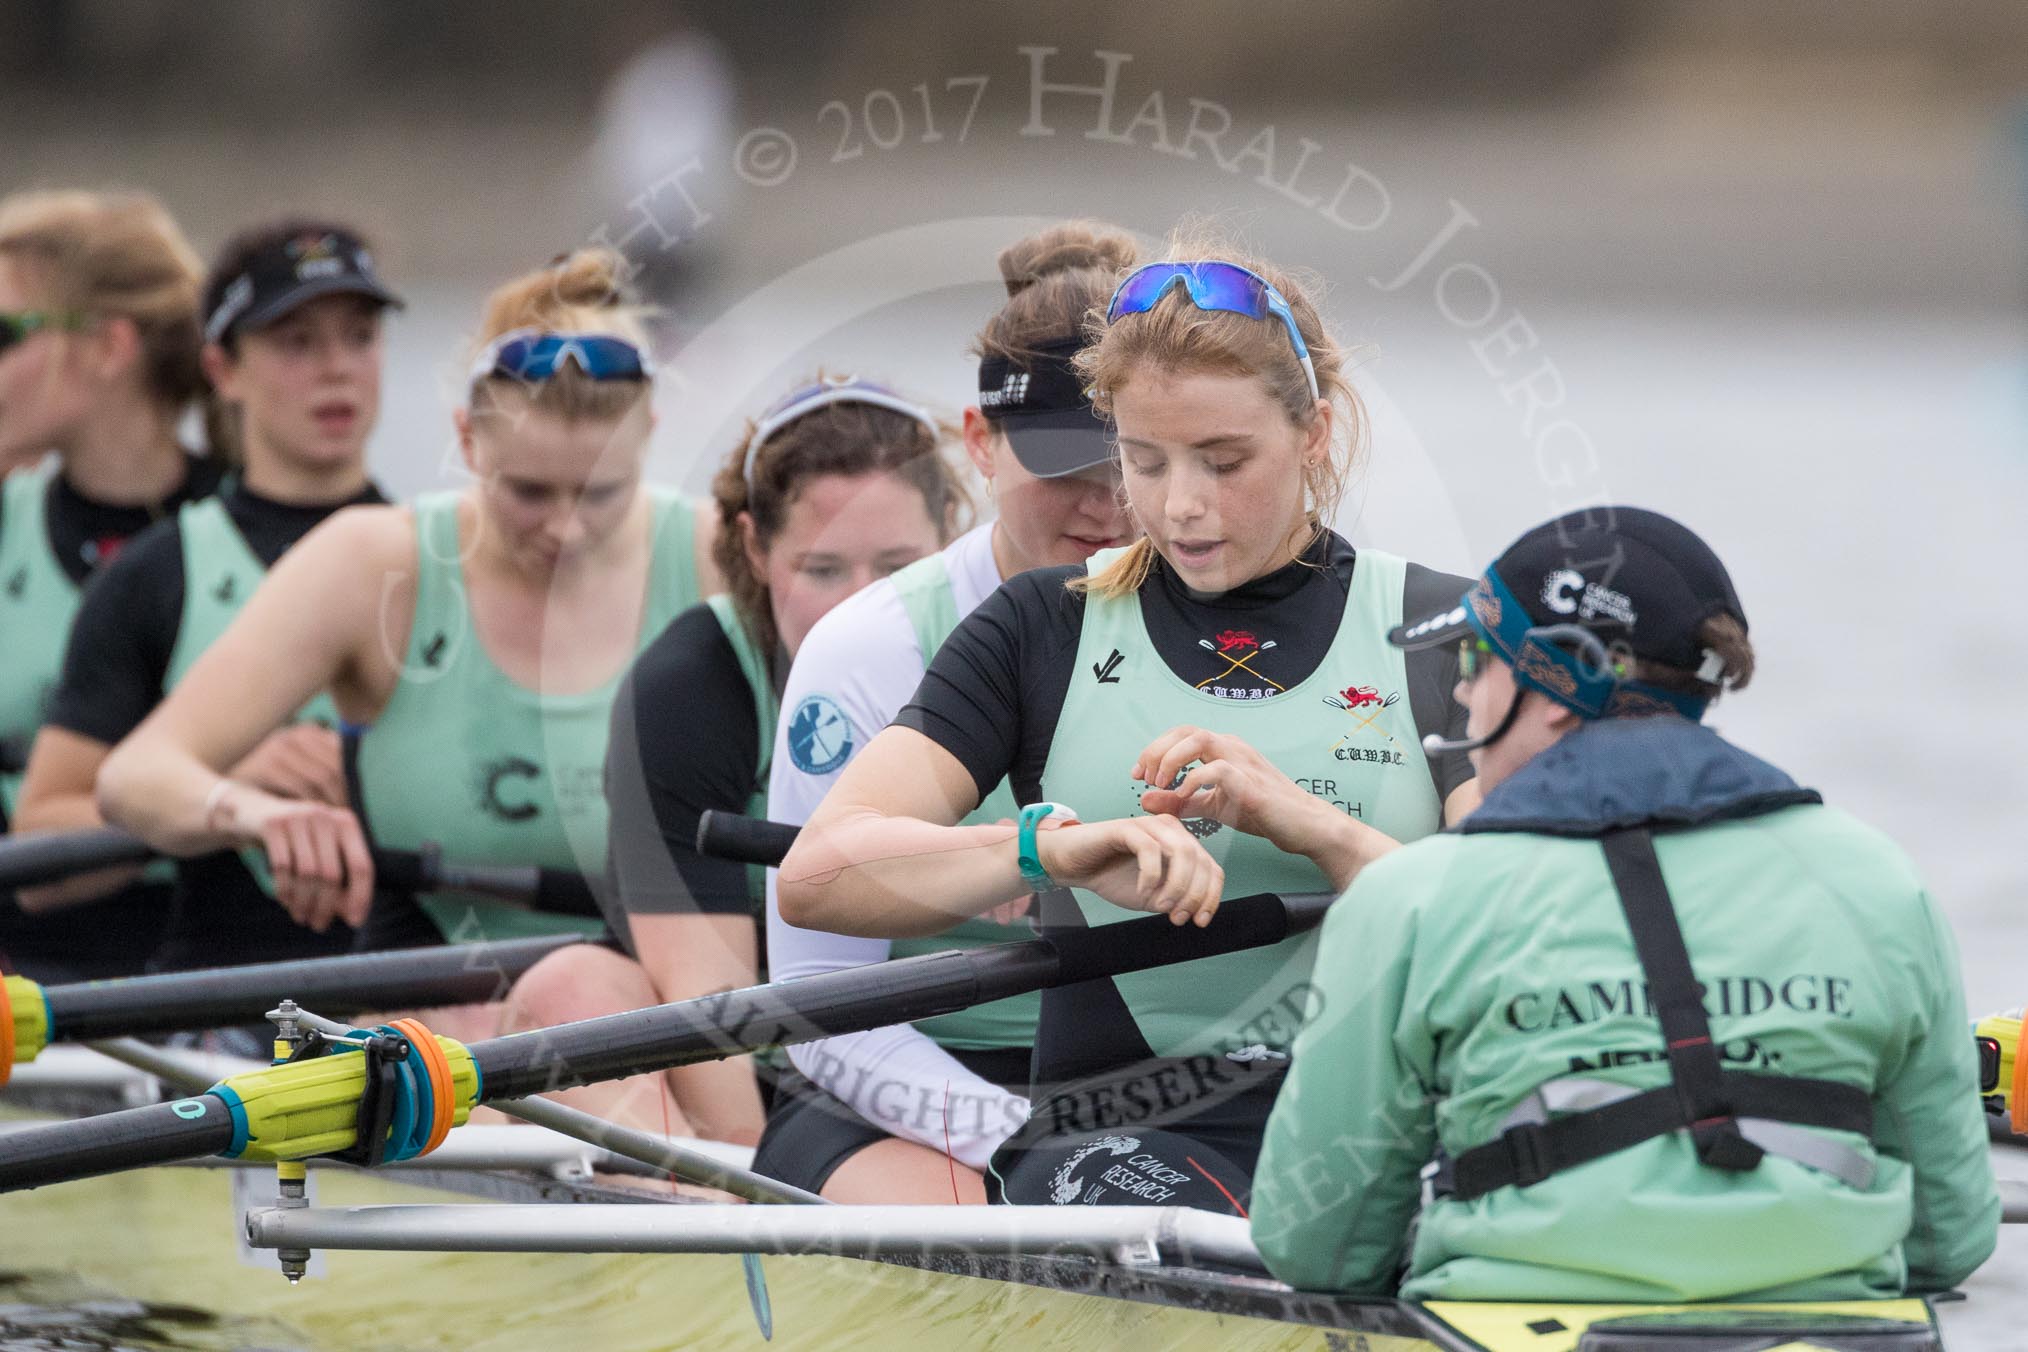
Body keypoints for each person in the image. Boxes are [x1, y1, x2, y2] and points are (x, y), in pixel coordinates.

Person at [778, 235, 1482, 1214]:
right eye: (1144, 461)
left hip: (1398, 1129)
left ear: (1313, 432)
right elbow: (819, 875)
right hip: (1131, 1139)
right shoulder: (1040, 625)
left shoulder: (1445, 630)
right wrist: (1047, 848)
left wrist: (1309, 825)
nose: (1179, 506)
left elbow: (1513, 927)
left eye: (1223, 460)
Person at [1249, 506, 2001, 1301]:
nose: (1463, 689)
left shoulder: (1411, 898)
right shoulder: (1881, 880)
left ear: (1561, 682)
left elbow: (1317, 1250)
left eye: (1476, 656)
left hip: (1510, 1309)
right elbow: (1948, 1240)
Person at [95, 249, 718, 987]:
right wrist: (253, 813)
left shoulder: (716, 558)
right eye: (527, 492)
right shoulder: (373, 564)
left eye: (602, 494)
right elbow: (134, 776)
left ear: (649, 431)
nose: (566, 528)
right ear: (465, 441)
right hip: (435, 1024)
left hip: (668, 1008)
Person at [753, 222, 1139, 1204]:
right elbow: (819, 1004)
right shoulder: (871, 647)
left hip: (1157, 1089)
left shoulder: (1236, 624)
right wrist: (1027, 1150)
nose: (1104, 503)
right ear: (980, 445)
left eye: (1131, 461)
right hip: (908, 1082)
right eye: (1063, 463)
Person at [503, 372, 964, 1142]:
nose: (863, 605)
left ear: (951, 531)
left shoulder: (1006, 648)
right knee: (571, 987)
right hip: (740, 1076)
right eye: (822, 570)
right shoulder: (690, 686)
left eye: (895, 568)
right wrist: (763, 1222)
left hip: (939, 1062)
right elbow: (708, 1015)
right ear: (753, 547)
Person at [15, 219, 400, 974]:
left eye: (359, 337)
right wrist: (221, 785)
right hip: (219, 1004)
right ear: (223, 370)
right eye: (296, 342)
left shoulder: (441, 556)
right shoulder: (155, 576)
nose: (337, 370)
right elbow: (40, 854)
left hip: (399, 987)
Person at [0, 189, 223, 981]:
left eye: (4, 333)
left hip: (225, 967)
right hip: (21, 961)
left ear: (107, 347)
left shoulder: (264, 531)